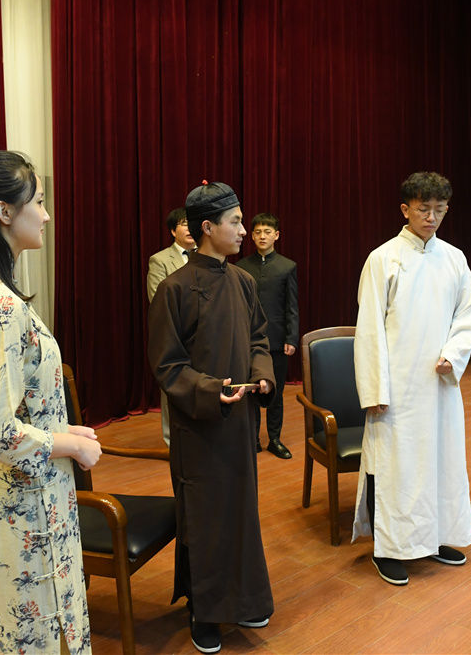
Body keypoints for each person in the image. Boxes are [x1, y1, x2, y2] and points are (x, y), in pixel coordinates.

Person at [0, 150, 101, 654]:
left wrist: (65, 433)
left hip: (4, 501)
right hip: (28, 505)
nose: (47, 215)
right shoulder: (0, 306)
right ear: (4, 212)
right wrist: (68, 445)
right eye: (40, 202)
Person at [148, 180, 275, 654]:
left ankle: (244, 600)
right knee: (206, 520)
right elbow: (167, 365)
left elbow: (259, 338)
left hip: (240, 422)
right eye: (236, 222)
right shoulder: (174, 288)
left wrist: (261, 376)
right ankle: (204, 610)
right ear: (207, 227)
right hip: (199, 427)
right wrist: (207, 390)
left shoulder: (243, 281)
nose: (245, 230)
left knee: (241, 513)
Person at [352, 171, 471, 586]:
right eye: (424, 209)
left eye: (439, 210)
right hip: (398, 386)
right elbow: (369, 327)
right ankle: (389, 548)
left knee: (441, 462)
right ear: (405, 209)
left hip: (440, 384)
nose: (432, 217)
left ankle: (436, 536)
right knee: (395, 467)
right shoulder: (383, 258)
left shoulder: (454, 258)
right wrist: (374, 388)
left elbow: (470, 313)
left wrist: (454, 353)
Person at [236, 213, 299, 459]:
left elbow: (291, 307)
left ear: (277, 236)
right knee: (251, 391)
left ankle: (274, 438)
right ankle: (251, 440)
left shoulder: (287, 266)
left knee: (276, 392)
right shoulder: (240, 267)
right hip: (248, 341)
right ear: (251, 236)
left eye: (268, 232)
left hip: (276, 340)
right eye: (258, 232)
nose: (263, 236)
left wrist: (291, 338)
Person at [146, 206, 196, 446]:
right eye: (184, 223)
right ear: (172, 230)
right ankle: (171, 442)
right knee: (173, 389)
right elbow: (157, 301)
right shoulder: (160, 260)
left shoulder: (206, 257)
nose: (189, 228)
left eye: (192, 223)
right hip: (174, 335)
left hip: (202, 336)